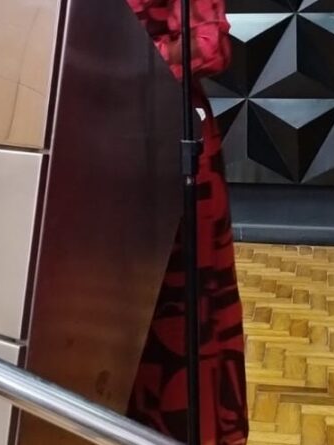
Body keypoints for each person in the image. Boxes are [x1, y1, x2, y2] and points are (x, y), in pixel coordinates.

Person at [126, 1, 249, 444]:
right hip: (79, 144)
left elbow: (209, 45)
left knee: (178, 315)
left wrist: (104, 64)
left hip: (167, 146)